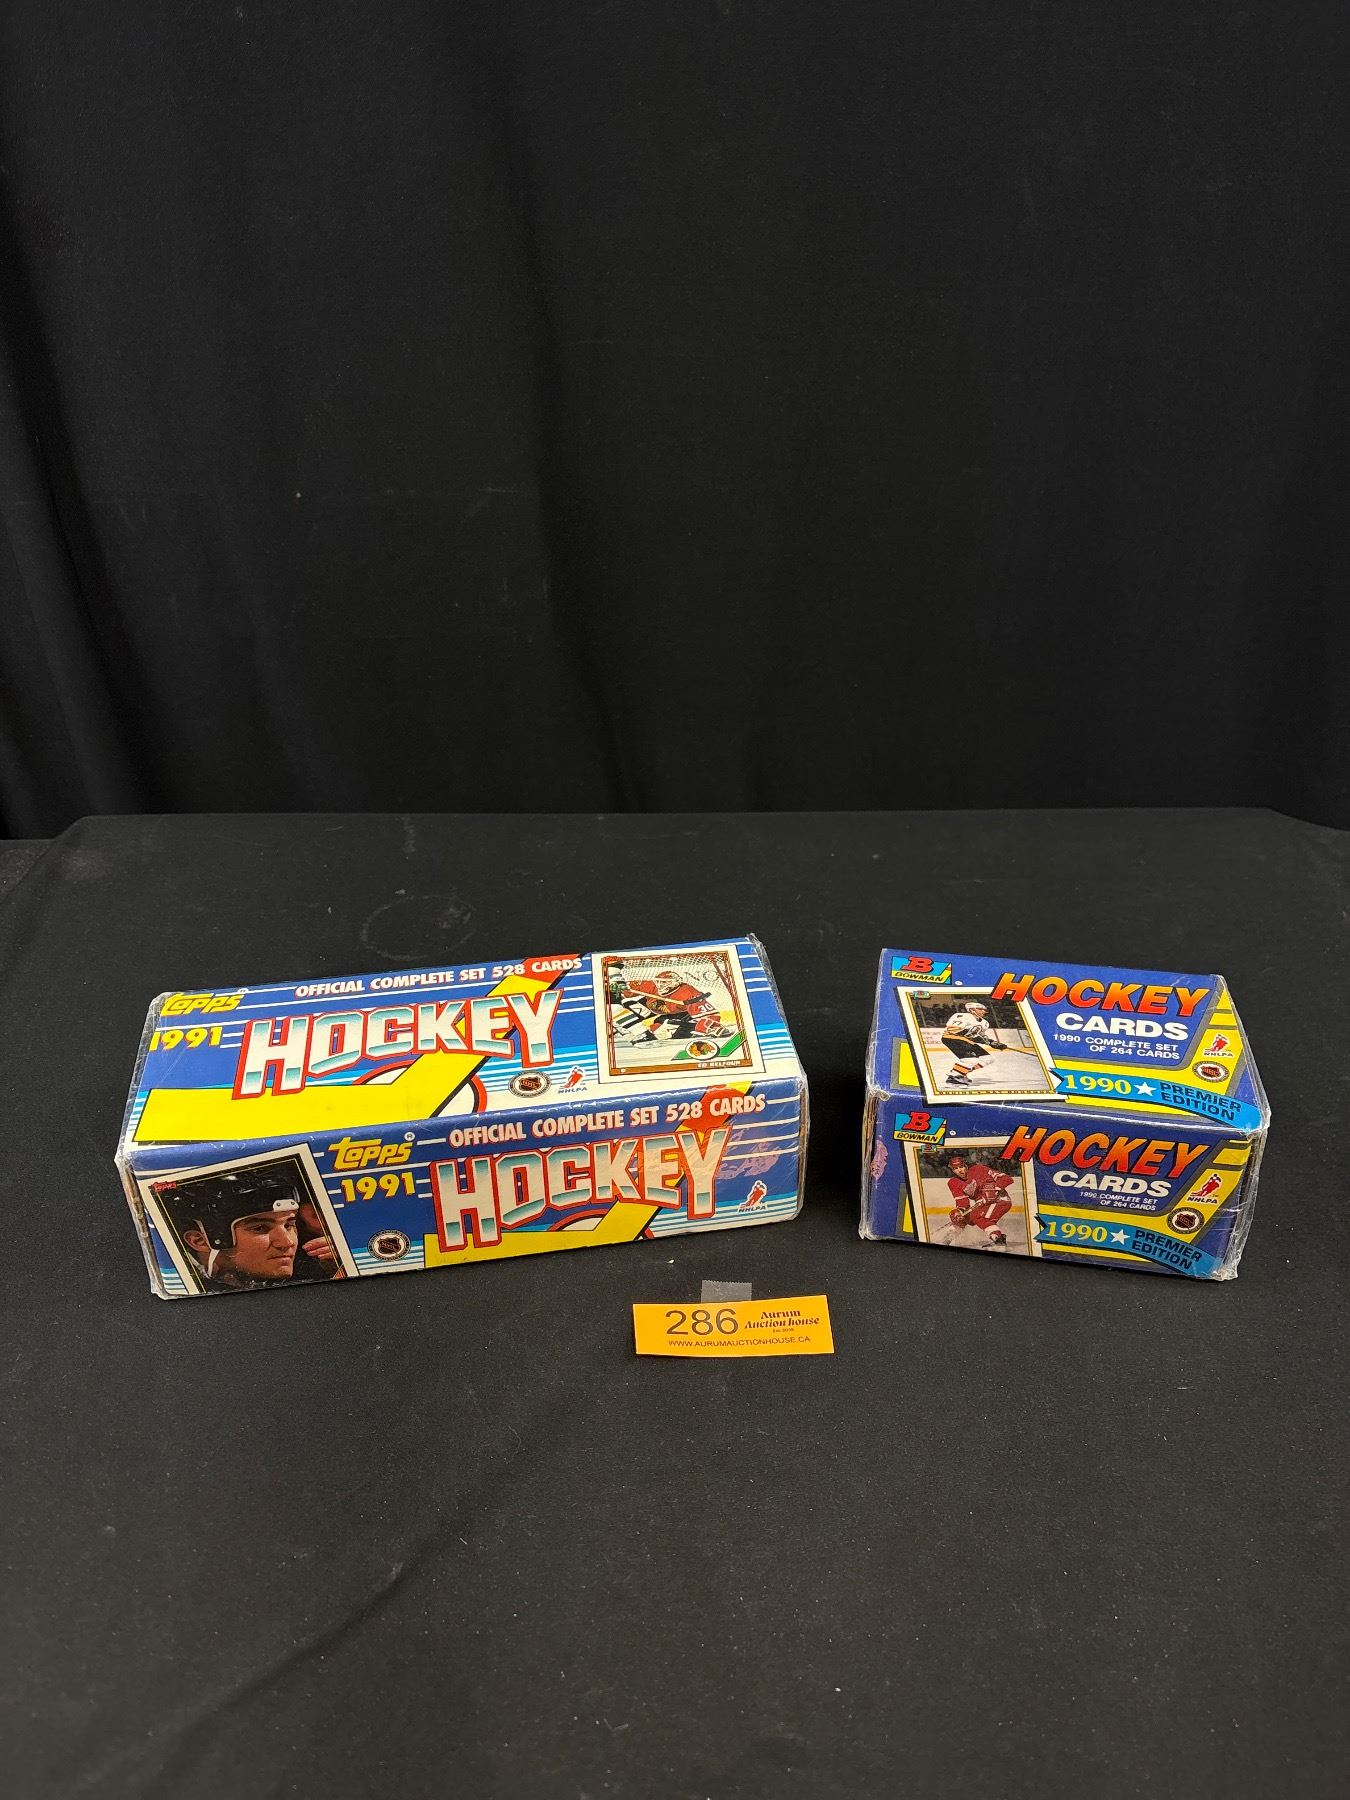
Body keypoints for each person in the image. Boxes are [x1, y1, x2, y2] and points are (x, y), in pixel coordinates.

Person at [154, 1164, 342, 1292]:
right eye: (260, 1228)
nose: (287, 1242)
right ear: (200, 1240)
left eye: (289, 1225)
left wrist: (341, 1274)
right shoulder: (180, 1287)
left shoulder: (320, 1266)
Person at [936, 1150, 1013, 1249]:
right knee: (963, 1217)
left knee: (979, 1217)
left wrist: (994, 1190)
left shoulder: (979, 1169)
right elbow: (963, 1202)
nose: (960, 1170)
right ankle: (946, 1240)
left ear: (966, 1165)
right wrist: (960, 1211)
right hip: (983, 1203)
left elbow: (1007, 1179)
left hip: (1000, 1200)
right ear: (952, 1170)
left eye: (961, 1167)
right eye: (956, 1168)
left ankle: (999, 1241)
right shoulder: (953, 1182)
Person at [939, 1001, 1008, 1088]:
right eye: (980, 1009)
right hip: (952, 1038)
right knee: (970, 1060)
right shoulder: (961, 1016)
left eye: (983, 1009)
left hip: (966, 1041)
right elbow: (953, 1030)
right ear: (971, 1010)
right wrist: (979, 1039)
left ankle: (961, 1073)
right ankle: (953, 1078)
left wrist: (992, 1042)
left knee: (988, 1059)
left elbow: (981, 1036)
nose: (983, 1011)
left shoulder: (984, 1023)